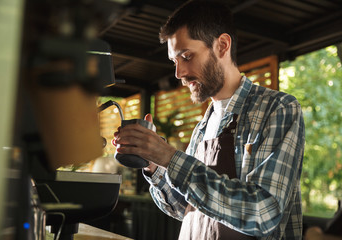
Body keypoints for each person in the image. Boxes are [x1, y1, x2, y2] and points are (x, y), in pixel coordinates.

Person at [113, 0, 305, 239]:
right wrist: (154, 164)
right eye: (175, 61)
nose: (179, 73)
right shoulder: (203, 127)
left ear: (222, 46)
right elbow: (188, 209)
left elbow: (262, 212)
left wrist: (169, 157)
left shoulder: (277, 109)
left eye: (186, 56)